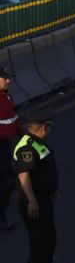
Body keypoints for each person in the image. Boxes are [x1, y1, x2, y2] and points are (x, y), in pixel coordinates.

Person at [13, 110, 62, 263]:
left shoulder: (39, 143)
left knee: (49, 241)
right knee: (40, 242)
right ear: (43, 127)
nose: (50, 129)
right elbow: (24, 176)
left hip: (43, 199)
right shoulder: (27, 147)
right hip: (33, 203)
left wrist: (51, 191)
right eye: (49, 126)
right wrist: (32, 201)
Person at [0, 68, 22, 231]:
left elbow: (13, 121)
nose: (8, 81)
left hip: (5, 145)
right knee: (7, 181)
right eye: (4, 78)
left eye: (8, 78)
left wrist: (24, 136)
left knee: (8, 182)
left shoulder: (7, 97)